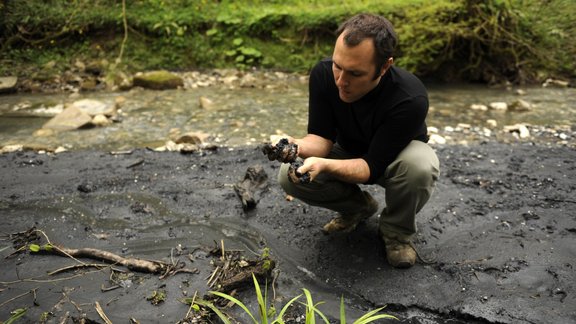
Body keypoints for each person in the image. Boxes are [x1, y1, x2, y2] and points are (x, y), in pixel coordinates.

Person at [266, 13, 440, 269]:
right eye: (338, 66)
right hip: (348, 150)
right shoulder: (324, 75)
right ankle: (357, 208)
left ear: (384, 66)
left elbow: (371, 168)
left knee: (420, 166)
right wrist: (294, 145)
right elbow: (321, 139)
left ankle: (396, 233)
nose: (341, 81)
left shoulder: (409, 98)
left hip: (394, 159)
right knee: (288, 175)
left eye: (355, 73)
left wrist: (324, 166)